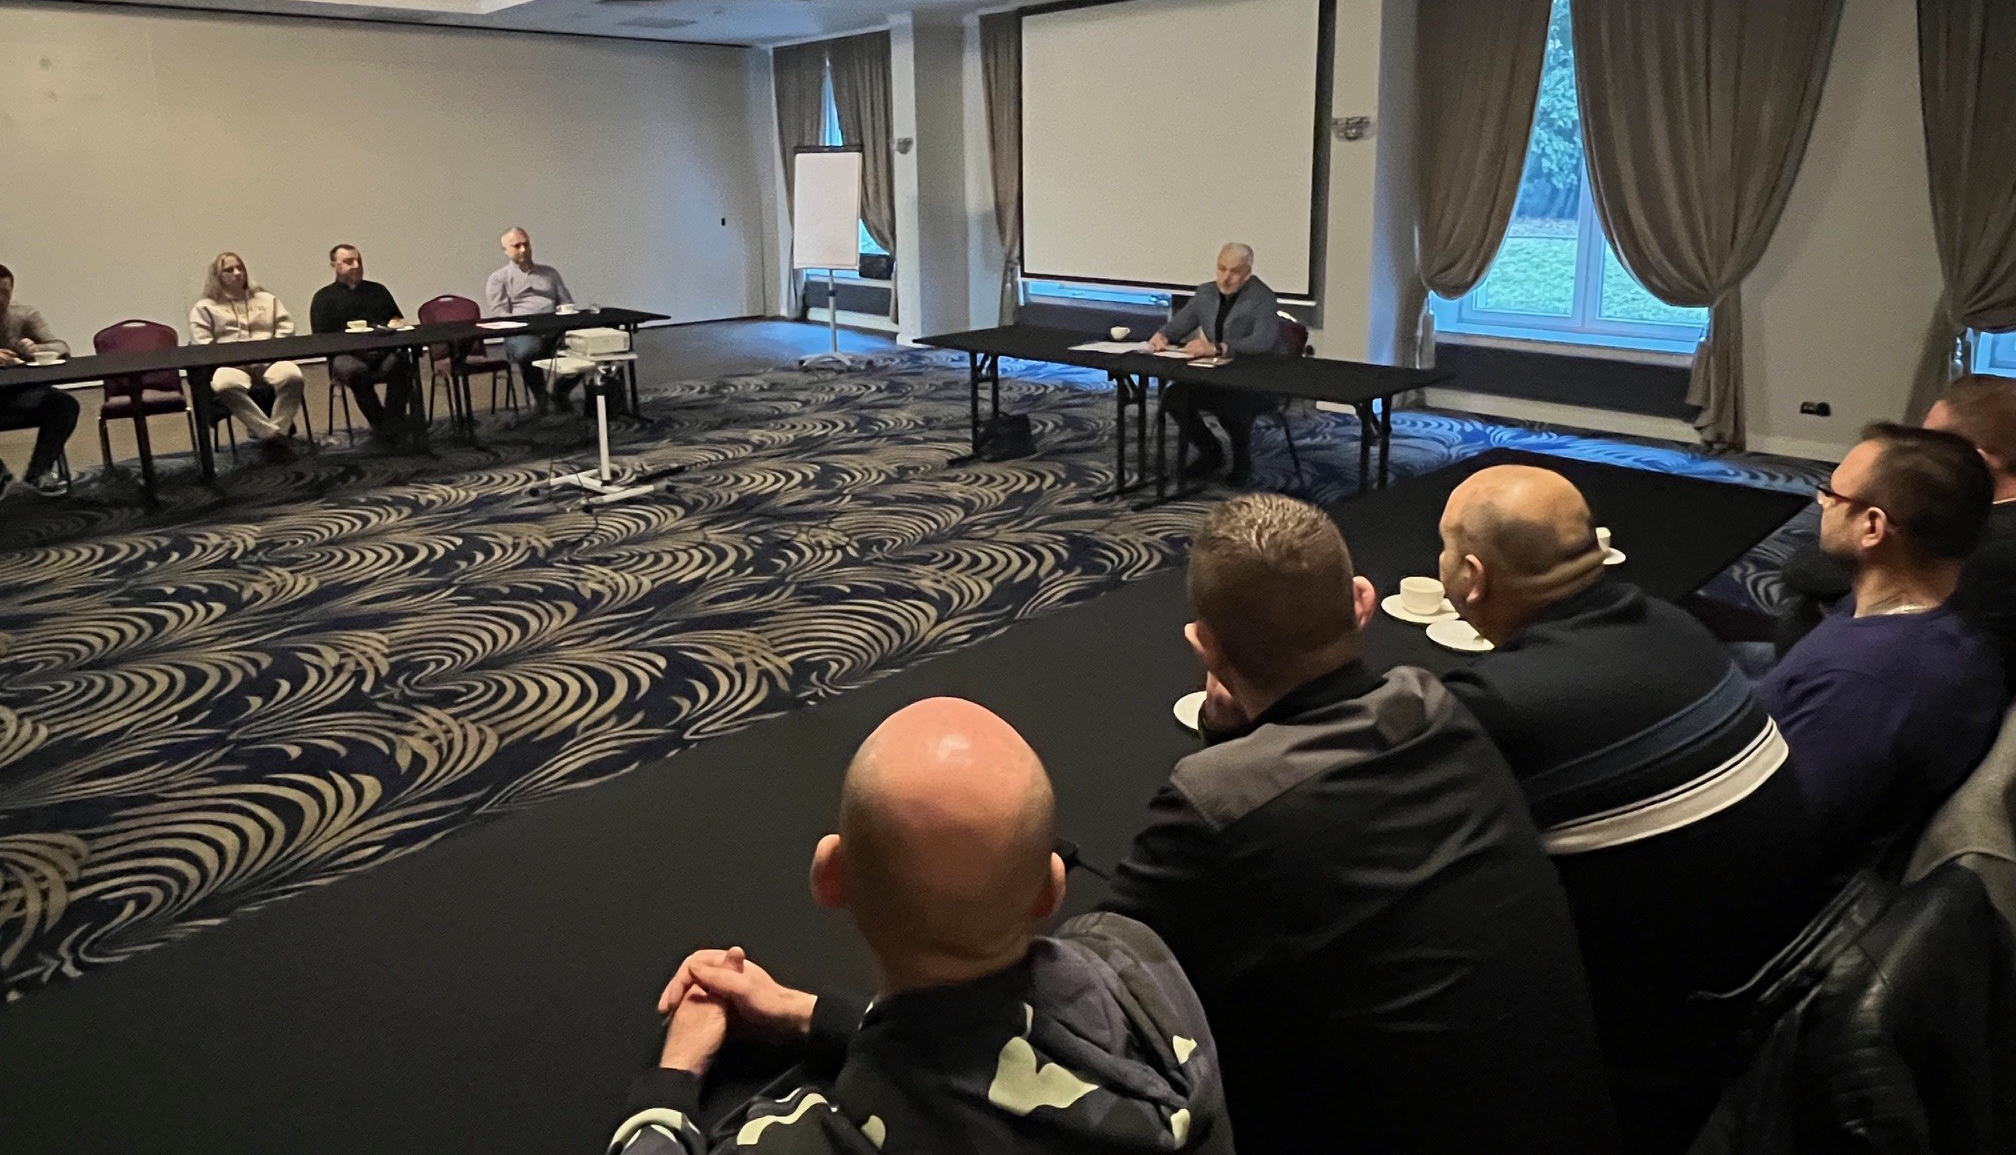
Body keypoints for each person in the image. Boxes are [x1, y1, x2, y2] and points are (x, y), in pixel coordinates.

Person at [1105, 494, 1616, 1155]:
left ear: (1203, 644)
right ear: (1362, 602)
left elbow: (1108, 972)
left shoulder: (1213, 804)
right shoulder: (1438, 708)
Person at [611, 697, 1229, 1154]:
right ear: (1051, 888)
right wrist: (809, 1014)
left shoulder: (825, 1139)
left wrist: (674, 1073)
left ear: (830, 878)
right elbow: (993, 1049)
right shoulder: (1139, 969)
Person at [1435, 464, 1821, 1153]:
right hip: (1772, 986)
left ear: (1471, 577)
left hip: (1655, 1056)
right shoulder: (1675, 623)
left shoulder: (1503, 703)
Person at [1757, 423, 2006, 866]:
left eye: (1831, 494)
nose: (1821, 502)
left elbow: (1774, 840)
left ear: (1872, 526)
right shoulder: (1945, 611)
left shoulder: (1865, 687)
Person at [1774, 375, 2016, 676]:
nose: (1915, 452)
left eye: (1932, 443)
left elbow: (1807, 569)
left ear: (1976, 460)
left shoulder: (1984, 539)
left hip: (1853, 673)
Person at [1148, 242, 1280, 485]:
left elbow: (1263, 341)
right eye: (1222, 269)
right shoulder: (1206, 293)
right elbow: (1180, 324)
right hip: (1215, 375)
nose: (1225, 278)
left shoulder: (1263, 298)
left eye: (1234, 271)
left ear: (1248, 273)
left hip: (1256, 379)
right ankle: (1210, 451)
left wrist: (1221, 347)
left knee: (1232, 407)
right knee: (1175, 398)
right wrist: (1162, 336)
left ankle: (1242, 461)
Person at [189, 252, 306, 456]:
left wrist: (270, 354)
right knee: (224, 385)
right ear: (216, 276)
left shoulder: (267, 300)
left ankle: (278, 431)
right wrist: (231, 360)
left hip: (269, 362)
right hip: (230, 365)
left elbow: (286, 329)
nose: (237, 273)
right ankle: (270, 435)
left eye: (240, 268)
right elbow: (203, 343)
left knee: (293, 376)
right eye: (229, 270)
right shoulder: (204, 307)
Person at [308, 244, 413, 442]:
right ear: (333, 266)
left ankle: (393, 420)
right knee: (357, 372)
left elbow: (396, 319)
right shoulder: (323, 298)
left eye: (359, 261)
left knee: (402, 363)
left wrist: (392, 326)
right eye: (348, 262)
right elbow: (321, 339)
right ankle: (381, 424)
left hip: (381, 352)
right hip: (346, 355)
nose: (356, 266)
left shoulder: (378, 290)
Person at [484, 226, 582, 415]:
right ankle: (541, 397)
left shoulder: (550, 273)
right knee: (528, 350)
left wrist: (563, 315)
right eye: (516, 246)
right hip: (521, 333)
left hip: (554, 329)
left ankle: (561, 390)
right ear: (505, 251)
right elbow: (499, 313)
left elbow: (566, 302)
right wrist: (527, 324)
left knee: (589, 347)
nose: (523, 249)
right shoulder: (499, 279)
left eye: (526, 244)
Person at [0, 264, 78, 497]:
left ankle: (38, 473)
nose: (0, 299)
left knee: (65, 405)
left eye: (4, 293)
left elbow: (61, 347)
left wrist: (35, 349)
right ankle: (1, 477)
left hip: (20, 393)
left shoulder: (24, 315)